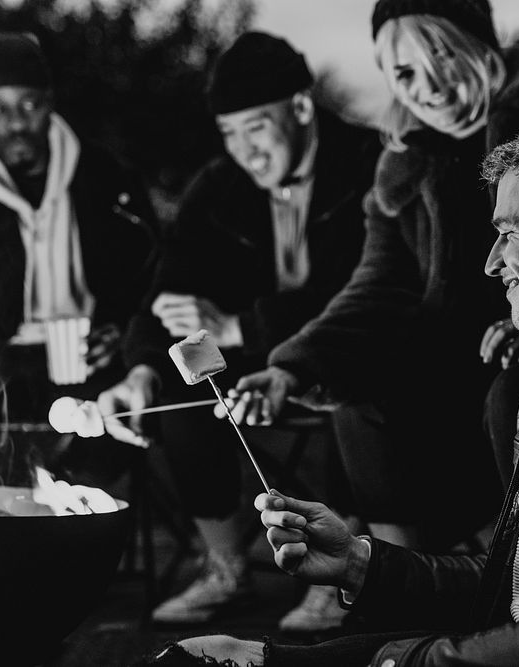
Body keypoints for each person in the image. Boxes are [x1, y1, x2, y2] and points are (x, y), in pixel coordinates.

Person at [137, 107, 519, 667]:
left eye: (509, 231)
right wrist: (359, 562)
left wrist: (398, 662)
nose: (490, 261)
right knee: (214, 657)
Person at [222, 0, 519, 555]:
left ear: (480, 44)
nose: (429, 86)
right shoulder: (405, 160)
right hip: (455, 361)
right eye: (403, 72)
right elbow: (379, 285)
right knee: (364, 399)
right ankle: (400, 584)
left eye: (442, 55)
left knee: (517, 396)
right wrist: (291, 367)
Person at [97, 31, 381, 630]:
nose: (243, 149)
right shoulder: (219, 186)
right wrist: (143, 367)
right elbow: (165, 289)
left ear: (301, 108)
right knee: (180, 392)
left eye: (256, 127)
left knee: (352, 382)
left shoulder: (369, 163)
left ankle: (339, 566)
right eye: (229, 132)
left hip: (342, 343)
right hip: (243, 354)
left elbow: (365, 289)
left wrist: (240, 323)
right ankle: (226, 566)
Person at [0, 32, 157, 489]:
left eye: (29, 105)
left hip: (87, 365)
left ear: (50, 102)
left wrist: (121, 330)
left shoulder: (104, 177)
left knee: (92, 466)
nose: (16, 123)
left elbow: (149, 271)